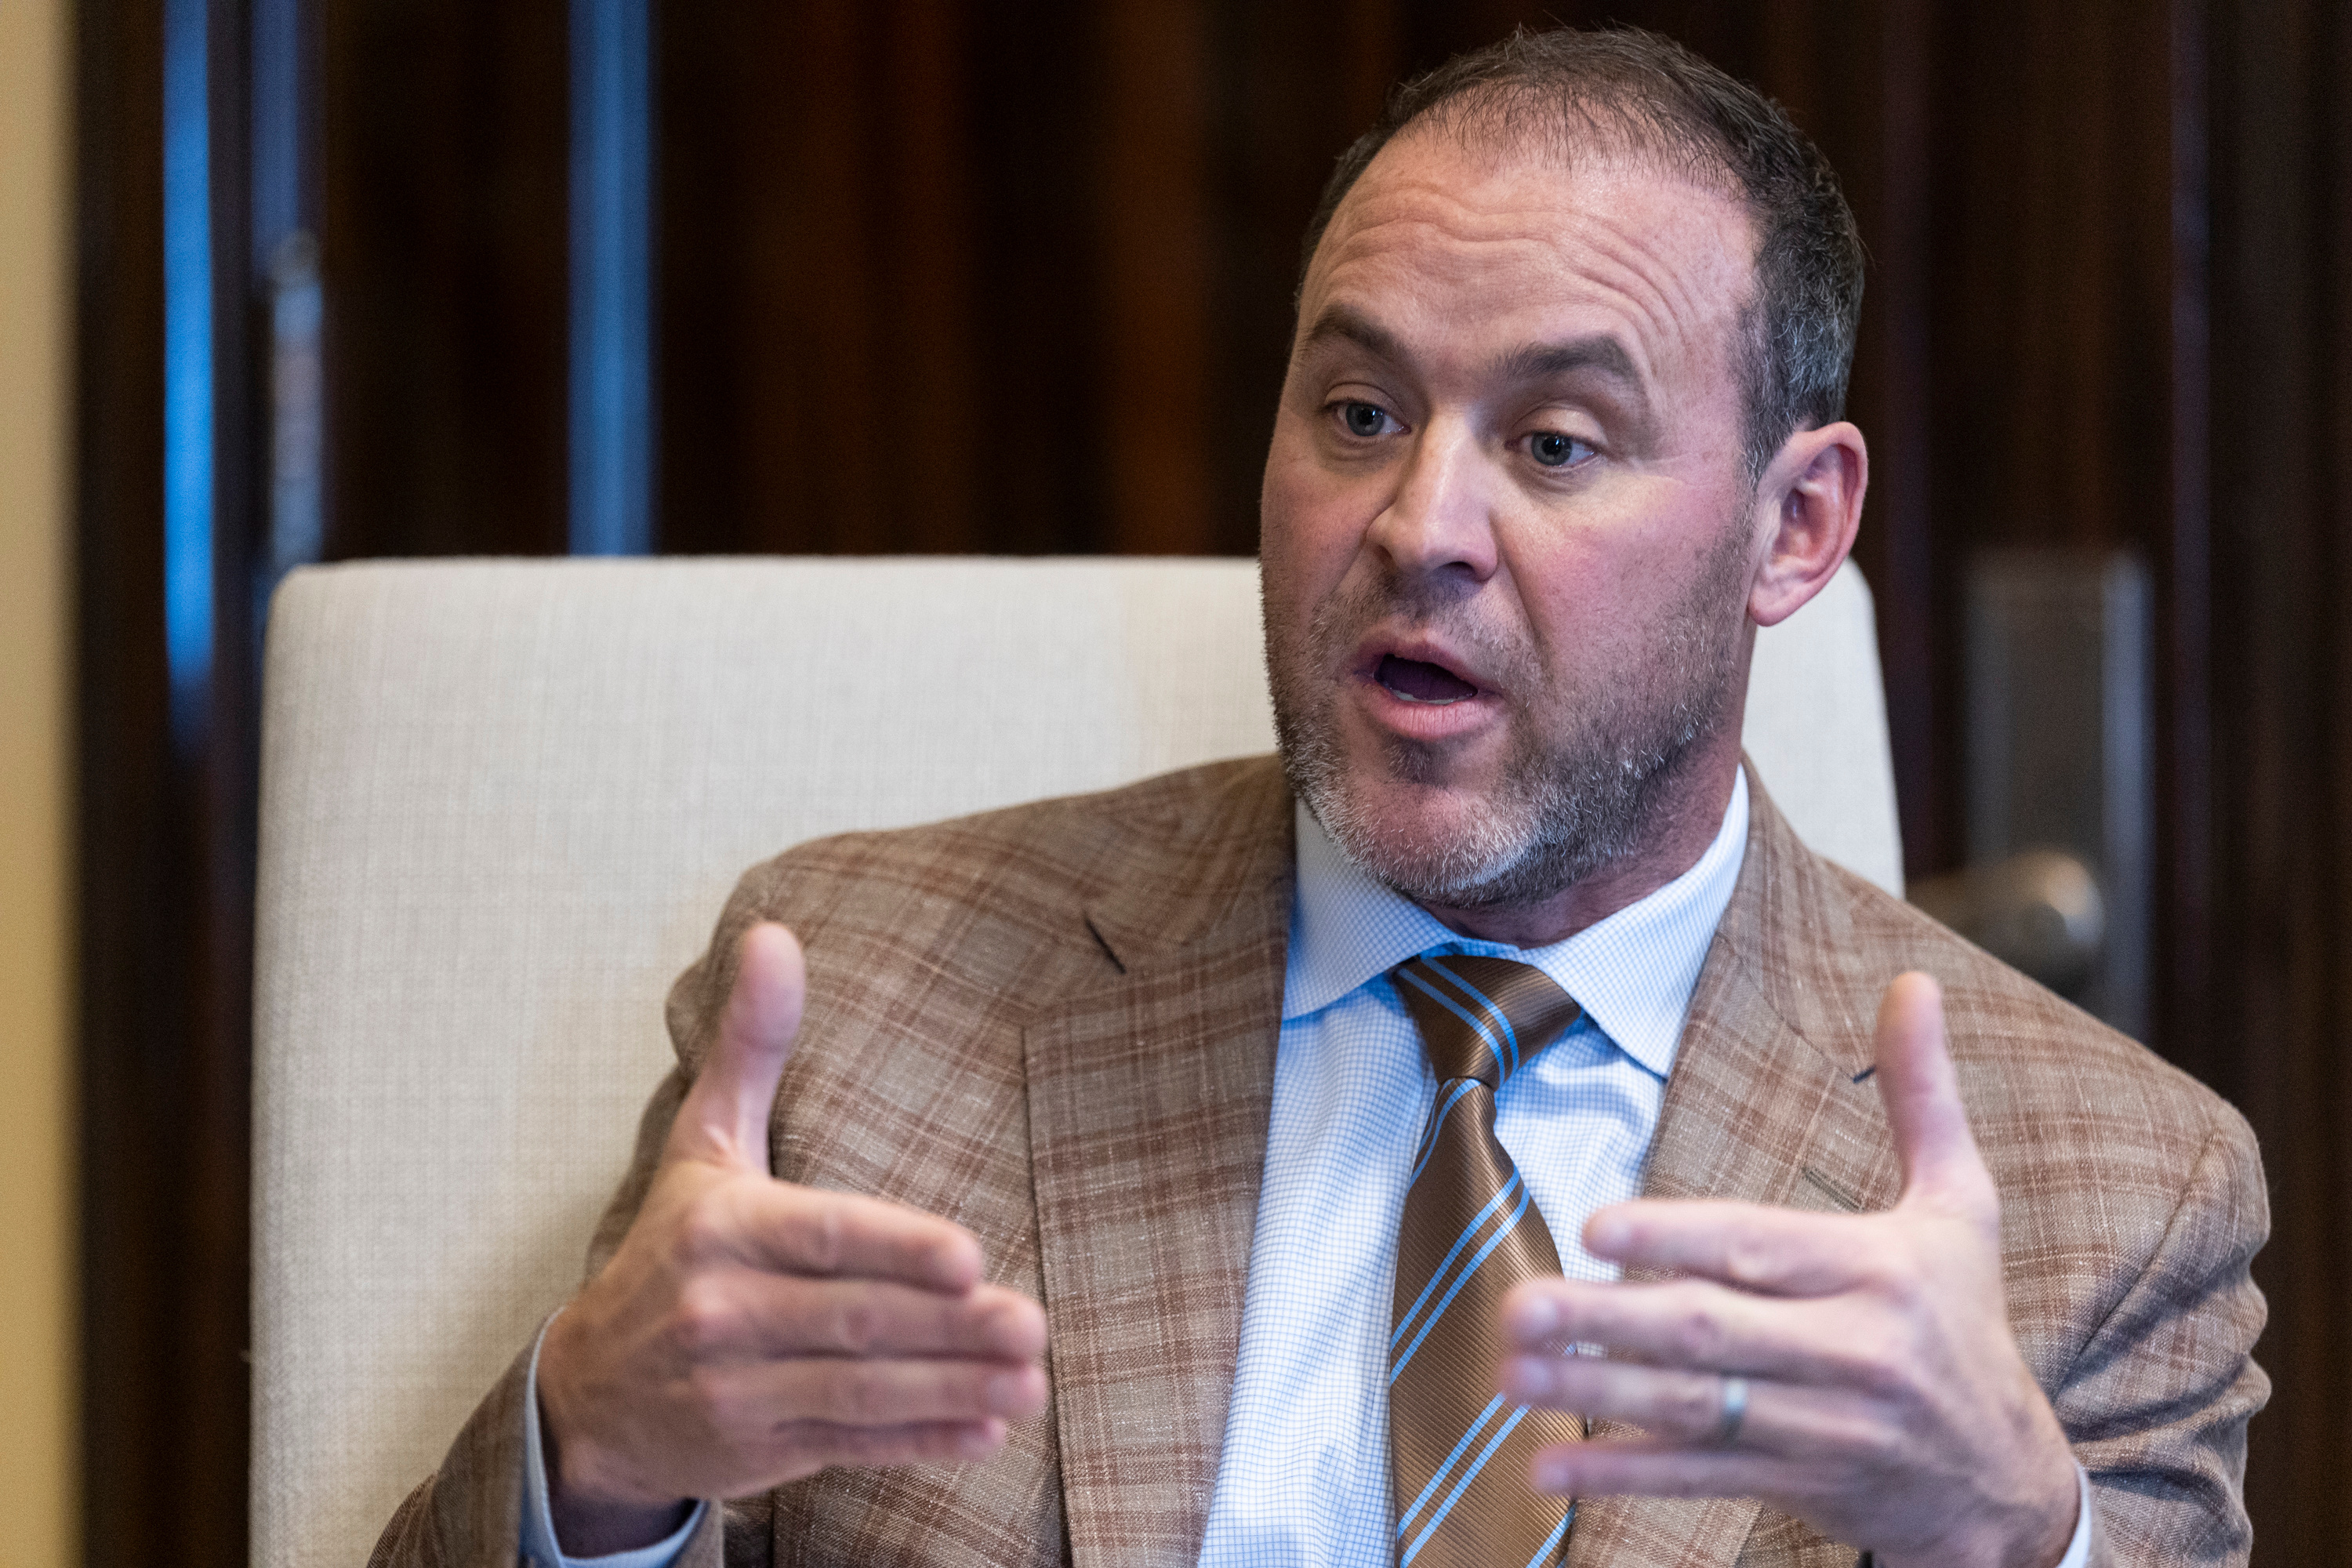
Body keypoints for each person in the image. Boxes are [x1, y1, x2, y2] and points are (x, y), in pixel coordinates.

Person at [369, 26, 2267, 1568]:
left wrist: (2009, 1533)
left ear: (1794, 526)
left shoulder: (2109, 1194)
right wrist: (592, 1460)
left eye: (1556, 442)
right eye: (1360, 414)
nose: (1421, 526)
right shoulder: (864, 1015)